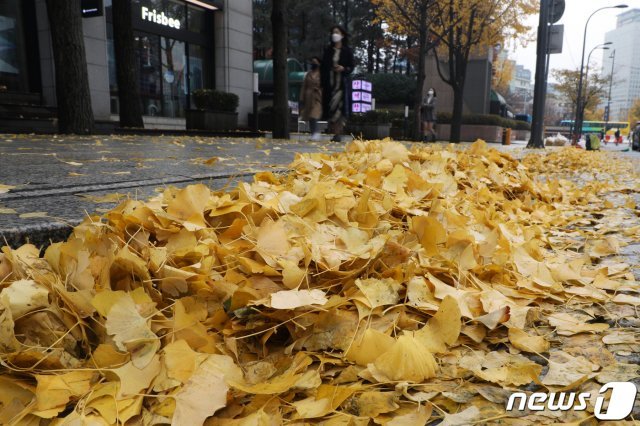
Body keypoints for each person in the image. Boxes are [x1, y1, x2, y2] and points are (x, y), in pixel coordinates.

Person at [321, 25, 354, 142]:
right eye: (333, 32)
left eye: (337, 32)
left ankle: (338, 133)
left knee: (340, 108)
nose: (334, 34)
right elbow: (323, 66)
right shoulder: (328, 50)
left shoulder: (347, 51)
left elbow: (351, 66)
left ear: (342, 35)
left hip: (342, 85)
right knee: (331, 108)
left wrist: (343, 69)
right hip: (330, 84)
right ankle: (334, 131)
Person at [300, 56, 323, 141]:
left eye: (315, 62)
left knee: (314, 115)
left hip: (318, 97)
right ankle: (313, 133)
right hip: (308, 97)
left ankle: (316, 132)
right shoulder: (308, 74)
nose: (313, 64)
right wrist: (302, 98)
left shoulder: (322, 74)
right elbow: (304, 86)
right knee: (309, 116)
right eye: (312, 62)